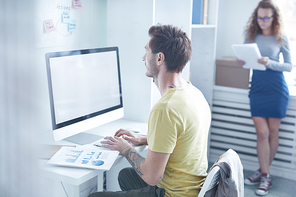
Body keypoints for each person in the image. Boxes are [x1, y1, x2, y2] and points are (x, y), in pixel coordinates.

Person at [88, 25, 211, 197]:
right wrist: (145, 139)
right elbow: (184, 139)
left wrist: (125, 148)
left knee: (94, 196)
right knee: (126, 176)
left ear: (159, 58)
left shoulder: (165, 108)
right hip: (193, 189)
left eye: (147, 51)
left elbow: (152, 177)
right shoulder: (194, 93)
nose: (143, 58)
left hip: (172, 194)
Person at [237, 0, 292, 196]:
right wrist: (242, 60)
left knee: (272, 133)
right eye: (259, 17)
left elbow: (289, 67)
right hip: (257, 88)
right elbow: (245, 59)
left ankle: (263, 174)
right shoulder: (250, 34)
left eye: (266, 17)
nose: (262, 21)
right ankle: (265, 174)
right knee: (262, 133)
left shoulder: (281, 37)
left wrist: (271, 62)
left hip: (277, 89)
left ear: (274, 18)